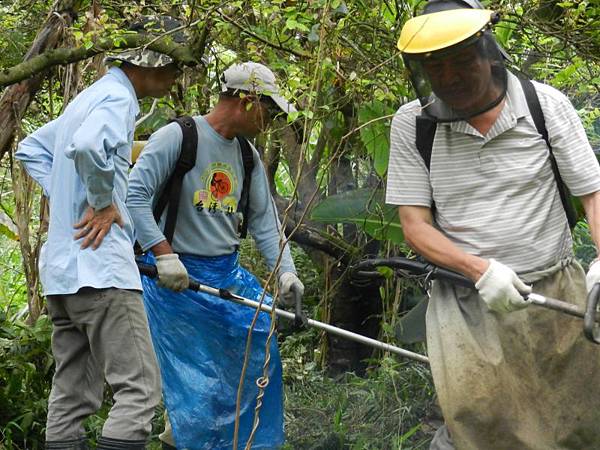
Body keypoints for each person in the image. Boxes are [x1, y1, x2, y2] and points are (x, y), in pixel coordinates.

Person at [386, 4, 600, 450]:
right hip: (466, 306)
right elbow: (414, 224)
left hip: (556, 295)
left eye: (460, 63)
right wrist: (478, 269)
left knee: (575, 423)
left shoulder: (545, 105)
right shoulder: (413, 123)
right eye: (435, 68)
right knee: (482, 427)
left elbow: (593, 196)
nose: (449, 80)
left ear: (488, 52)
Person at [15, 18, 183, 450]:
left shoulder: (87, 98)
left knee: (71, 395)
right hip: (102, 273)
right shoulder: (115, 98)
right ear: (147, 64)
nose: (176, 78)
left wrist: (71, 194)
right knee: (140, 389)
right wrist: (103, 201)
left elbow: (32, 148)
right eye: (174, 67)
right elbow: (90, 147)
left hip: (62, 276)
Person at [126, 61, 304, 450]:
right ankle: (184, 441)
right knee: (197, 381)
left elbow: (265, 222)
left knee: (257, 347)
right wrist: (164, 255)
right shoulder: (178, 137)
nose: (270, 120)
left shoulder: (247, 155)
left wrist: (286, 274)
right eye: (267, 109)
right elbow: (134, 197)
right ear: (246, 100)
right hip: (173, 280)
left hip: (224, 273)